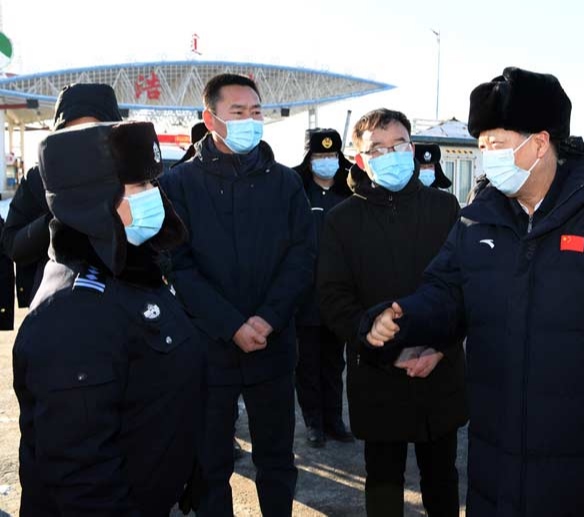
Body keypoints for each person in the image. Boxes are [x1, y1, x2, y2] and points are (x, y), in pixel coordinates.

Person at [361, 68, 584, 516]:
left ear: (540, 143)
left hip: (580, 472)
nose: (487, 157)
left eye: (497, 144)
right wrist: (400, 317)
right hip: (496, 463)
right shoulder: (476, 221)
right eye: (482, 145)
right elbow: (445, 292)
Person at [13, 120, 203, 515]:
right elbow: (81, 476)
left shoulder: (136, 269)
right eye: (139, 186)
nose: (153, 196)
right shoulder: (73, 313)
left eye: (153, 183)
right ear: (90, 200)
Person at [160, 73, 314, 517]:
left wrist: (268, 318)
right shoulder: (178, 184)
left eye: (256, 111)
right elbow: (177, 264)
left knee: (277, 459)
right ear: (211, 119)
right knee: (210, 464)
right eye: (238, 112)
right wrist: (230, 325)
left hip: (272, 344)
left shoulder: (285, 183)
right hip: (210, 348)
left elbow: (302, 256)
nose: (250, 120)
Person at [317, 108, 467, 517]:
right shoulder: (342, 220)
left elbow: (465, 287)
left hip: (439, 372)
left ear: (412, 149)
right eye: (378, 149)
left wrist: (440, 348)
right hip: (378, 375)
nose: (391, 154)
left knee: (442, 479)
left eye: (398, 145)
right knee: (383, 482)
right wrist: (374, 337)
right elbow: (333, 297)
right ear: (361, 159)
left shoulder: (445, 207)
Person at [2, 83, 122, 307]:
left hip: (122, 303)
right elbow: (13, 245)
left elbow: (162, 244)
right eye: (72, 134)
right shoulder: (39, 178)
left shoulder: (130, 174)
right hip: (54, 304)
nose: (83, 142)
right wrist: (56, 216)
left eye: (94, 131)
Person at [292, 128, 354, 447]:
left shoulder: (348, 192)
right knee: (308, 364)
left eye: (331, 155)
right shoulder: (298, 191)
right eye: (320, 155)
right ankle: (313, 422)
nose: (326, 161)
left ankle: (334, 419)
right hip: (305, 295)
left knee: (334, 363)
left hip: (338, 295)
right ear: (309, 158)